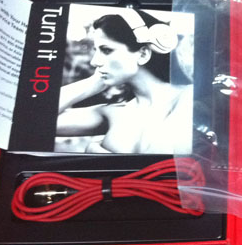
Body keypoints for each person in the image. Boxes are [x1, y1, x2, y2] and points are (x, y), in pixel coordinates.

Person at [56, 9, 193, 154]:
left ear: (143, 54)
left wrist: (97, 152)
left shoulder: (190, 96)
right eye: (96, 50)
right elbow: (40, 121)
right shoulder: (114, 112)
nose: (94, 62)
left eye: (106, 50)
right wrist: (92, 83)